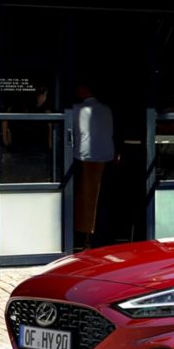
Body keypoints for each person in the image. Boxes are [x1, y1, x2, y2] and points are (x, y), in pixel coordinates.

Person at [74, 85, 115, 248]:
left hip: (85, 156)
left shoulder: (78, 109)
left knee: (86, 200)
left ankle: (86, 236)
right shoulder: (107, 110)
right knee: (101, 199)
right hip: (106, 156)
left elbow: (75, 132)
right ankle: (97, 235)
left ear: (84, 90)